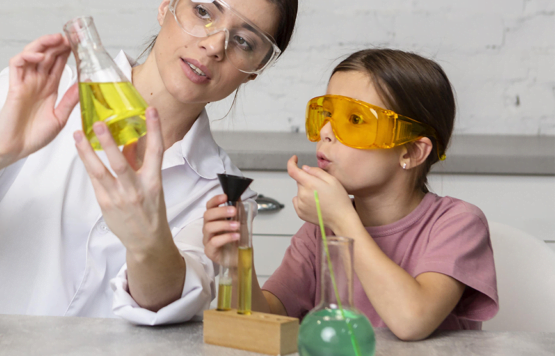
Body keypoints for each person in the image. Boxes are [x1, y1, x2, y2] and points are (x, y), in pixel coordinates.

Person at [0, 0, 299, 325]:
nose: (214, 46)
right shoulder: (53, 90)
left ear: (256, 69)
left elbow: (169, 306)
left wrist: (147, 240)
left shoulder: (223, 191)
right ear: (168, 2)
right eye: (204, 12)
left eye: (244, 41)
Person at [203, 49, 499, 339]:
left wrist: (342, 218)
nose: (326, 132)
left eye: (355, 120)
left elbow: (412, 321)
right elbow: (264, 321)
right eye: (327, 115)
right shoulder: (319, 231)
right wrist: (238, 261)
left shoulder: (458, 224)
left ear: (411, 151)